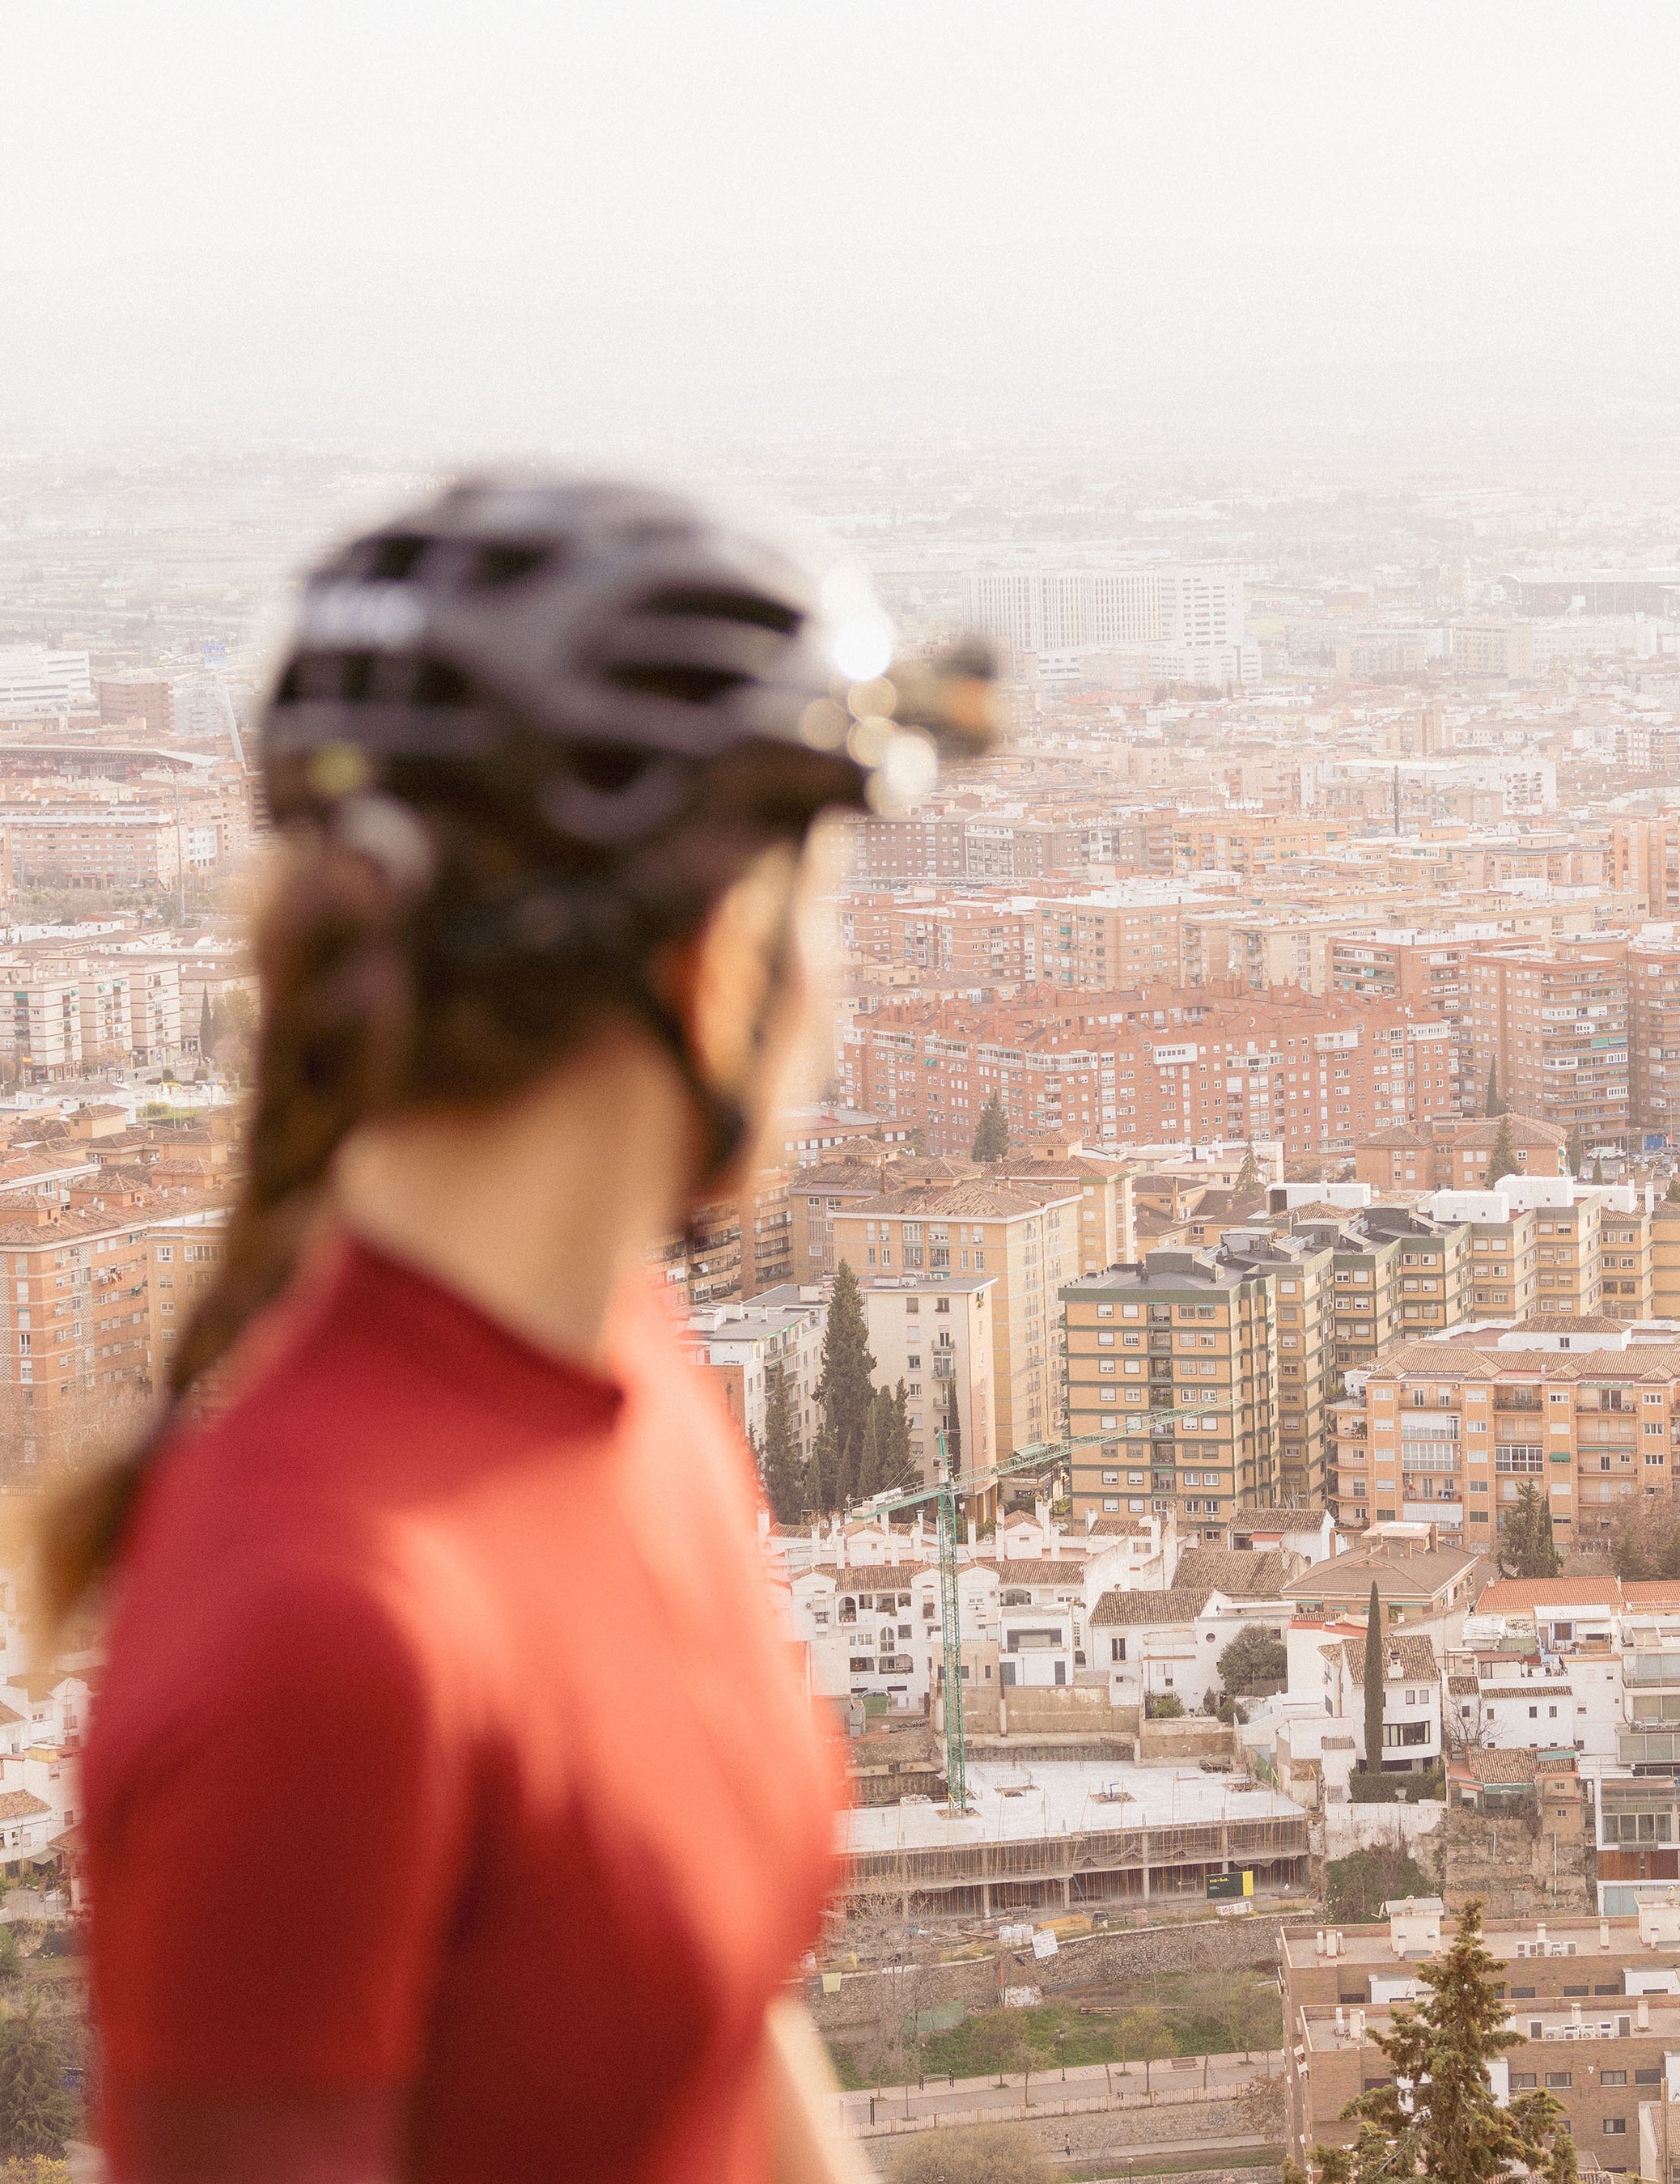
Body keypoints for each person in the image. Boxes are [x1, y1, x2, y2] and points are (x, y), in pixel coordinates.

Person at [45, 478, 995, 2184]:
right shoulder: (317, 1636)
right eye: (825, 911)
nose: (837, 984)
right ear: (714, 961)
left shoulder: (622, 1368)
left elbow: (706, 2031)